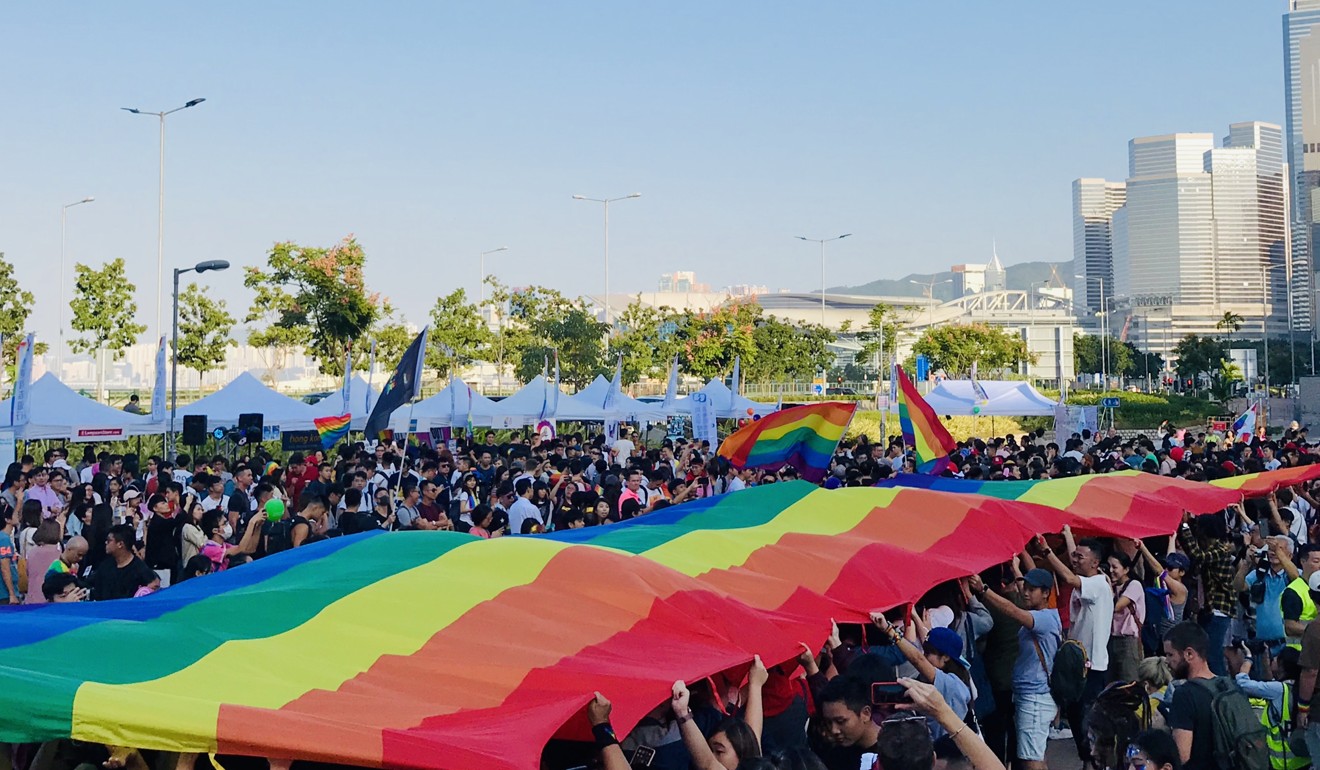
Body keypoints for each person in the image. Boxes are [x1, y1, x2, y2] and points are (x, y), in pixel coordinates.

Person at [1036, 527, 1113, 769]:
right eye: (1076, 556)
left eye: (1081, 557)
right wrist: (1068, 533)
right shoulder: (1090, 580)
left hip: (1093, 667)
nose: (1075, 560)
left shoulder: (1099, 584)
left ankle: (1094, 764)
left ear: (1095, 562)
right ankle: (1088, 763)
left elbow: (1069, 578)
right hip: (1078, 665)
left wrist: (1047, 551)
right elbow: (1073, 562)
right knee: (1078, 716)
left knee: (1086, 721)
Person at [970, 568, 1061, 770]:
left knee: (1031, 761)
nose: (1026, 592)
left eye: (1032, 589)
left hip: (1034, 698)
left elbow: (1013, 611)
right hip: (1030, 695)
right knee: (1035, 754)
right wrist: (1015, 564)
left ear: (1046, 593)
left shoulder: (1043, 619)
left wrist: (983, 590)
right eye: (1025, 588)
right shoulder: (1040, 613)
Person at [1164, 621, 1224, 770]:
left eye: (1170, 654)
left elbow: (1181, 756)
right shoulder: (1228, 686)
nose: (1167, 661)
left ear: (1189, 654)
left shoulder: (1185, 694)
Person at [86, 524, 158, 601]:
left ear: (120, 544)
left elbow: (154, 585)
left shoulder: (140, 568)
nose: (106, 543)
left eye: (109, 541)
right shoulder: (105, 566)